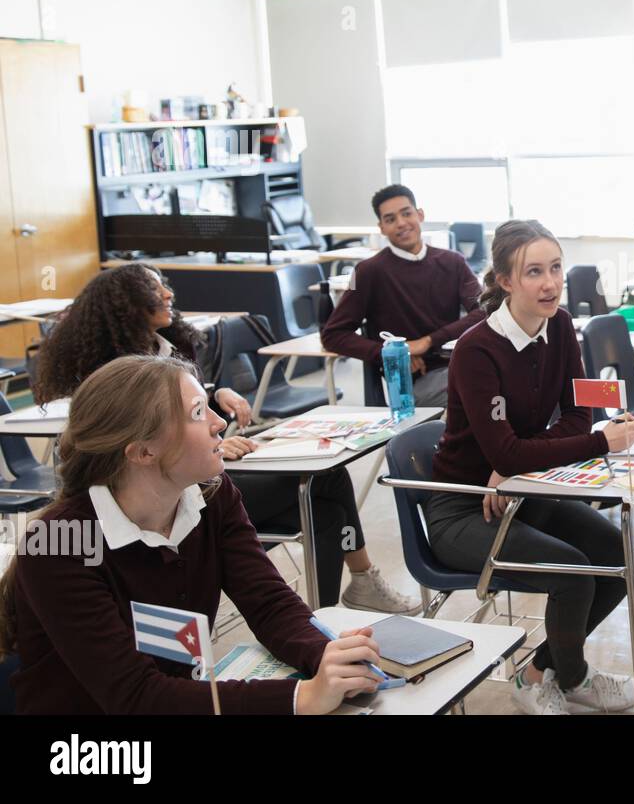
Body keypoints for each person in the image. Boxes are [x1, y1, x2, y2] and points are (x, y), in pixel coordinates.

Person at [0, 355, 384, 713]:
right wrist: (301, 696)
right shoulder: (57, 545)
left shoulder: (211, 494)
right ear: (143, 452)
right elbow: (135, 697)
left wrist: (330, 657)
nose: (219, 422)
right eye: (198, 413)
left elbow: (268, 601)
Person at [32, 263, 417, 614]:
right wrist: (215, 444)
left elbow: (186, 405)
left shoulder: (168, 346)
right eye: (154, 290)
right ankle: (351, 590)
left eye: (164, 286)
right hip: (168, 489)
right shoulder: (118, 378)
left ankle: (335, 606)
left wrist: (216, 393)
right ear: (125, 306)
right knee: (319, 487)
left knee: (326, 498)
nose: (168, 294)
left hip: (196, 476)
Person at [424, 219, 634, 715]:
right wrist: (589, 443)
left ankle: (540, 671)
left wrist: (515, 461)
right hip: (462, 511)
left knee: (620, 559)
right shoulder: (476, 350)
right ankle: (568, 677)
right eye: (533, 272)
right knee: (573, 573)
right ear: (505, 280)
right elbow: (568, 434)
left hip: (522, 492)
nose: (549, 283)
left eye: (555, 268)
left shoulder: (562, 325)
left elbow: (577, 412)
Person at [321, 185, 485, 407]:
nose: (401, 223)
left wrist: (428, 341)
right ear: (381, 228)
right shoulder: (366, 271)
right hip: (418, 380)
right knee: (485, 390)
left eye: (406, 213)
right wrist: (393, 353)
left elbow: (484, 310)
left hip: (460, 363)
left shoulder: (453, 261)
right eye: (390, 219)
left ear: (420, 215)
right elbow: (333, 335)